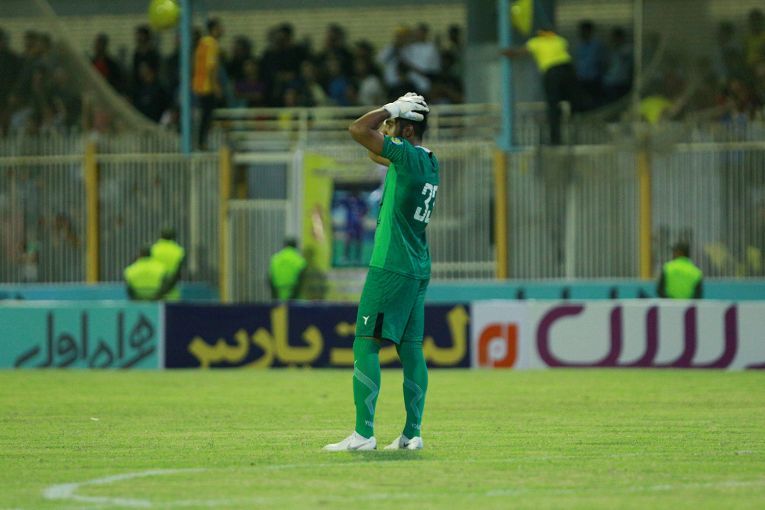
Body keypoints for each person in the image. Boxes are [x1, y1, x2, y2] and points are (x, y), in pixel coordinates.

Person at [324, 92, 436, 452]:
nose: (386, 131)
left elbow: (358, 130)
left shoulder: (404, 154)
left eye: (393, 126)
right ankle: (412, 434)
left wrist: (390, 109)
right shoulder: (428, 161)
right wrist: (391, 123)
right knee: (411, 349)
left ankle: (363, 435)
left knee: (366, 342)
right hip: (417, 266)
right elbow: (372, 149)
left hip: (391, 265)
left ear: (407, 130)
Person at [501, 26, 580, 145]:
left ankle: (555, 139)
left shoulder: (536, 42)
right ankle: (574, 118)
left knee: (553, 105)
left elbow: (519, 52)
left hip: (552, 72)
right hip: (568, 70)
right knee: (573, 99)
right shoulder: (560, 40)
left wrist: (506, 52)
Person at [193, 18, 224, 149]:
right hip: (207, 86)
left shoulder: (202, 43)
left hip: (198, 84)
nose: (222, 30)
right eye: (219, 28)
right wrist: (216, 86)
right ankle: (203, 142)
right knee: (207, 115)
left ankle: (202, 141)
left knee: (204, 115)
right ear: (213, 30)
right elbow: (211, 67)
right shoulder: (212, 44)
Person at [151, 228, 186, 301]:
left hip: (155, 290)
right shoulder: (179, 251)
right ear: (174, 237)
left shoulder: (153, 249)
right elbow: (179, 273)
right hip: (172, 292)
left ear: (161, 236)